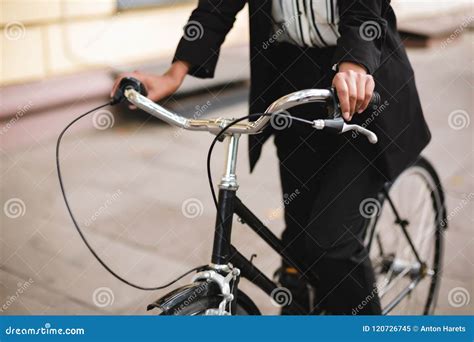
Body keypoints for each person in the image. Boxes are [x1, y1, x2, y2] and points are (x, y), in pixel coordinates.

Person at [112, 0, 431, 315]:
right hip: (293, 87)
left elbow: (363, 11)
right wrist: (174, 74)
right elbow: (217, 6)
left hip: (362, 90)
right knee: (298, 242)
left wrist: (354, 66)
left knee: (332, 244)